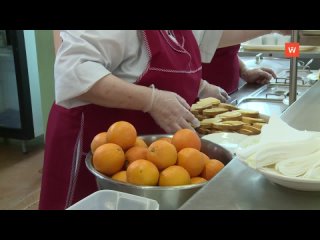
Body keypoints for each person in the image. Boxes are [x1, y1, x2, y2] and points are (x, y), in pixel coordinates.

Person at [39, 30, 230, 210]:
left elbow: (204, 38)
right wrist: (151, 100)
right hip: (95, 145)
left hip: (147, 160)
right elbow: (72, 70)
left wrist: (200, 86)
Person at [201, 30, 290, 94]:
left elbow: (226, 50)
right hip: (200, 96)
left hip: (229, 94)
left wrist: (244, 71)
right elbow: (209, 40)